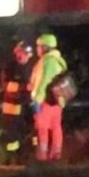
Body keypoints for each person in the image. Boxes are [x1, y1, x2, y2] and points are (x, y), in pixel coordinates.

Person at [29, 33, 68, 162]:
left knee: (42, 128)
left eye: (39, 46)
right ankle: (56, 153)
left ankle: (42, 156)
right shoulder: (57, 60)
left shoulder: (48, 61)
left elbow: (44, 82)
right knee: (56, 126)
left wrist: (37, 100)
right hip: (57, 100)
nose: (37, 49)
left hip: (46, 101)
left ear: (45, 47)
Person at [0, 40, 35, 165]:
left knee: (31, 132)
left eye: (27, 54)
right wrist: (24, 87)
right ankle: (12, 160)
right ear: (17, 52)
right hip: (12, 106)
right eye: (23, 53)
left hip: (27, 105)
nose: (25, 56)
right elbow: (6, 85)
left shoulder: (31, 67)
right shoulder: (9, 68)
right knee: (12, 135)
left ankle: (30, 158)